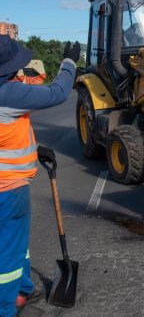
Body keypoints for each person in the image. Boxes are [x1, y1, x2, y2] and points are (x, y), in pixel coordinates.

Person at [0, 34, 80, 317]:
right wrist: (69, 62)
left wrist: (34, 150)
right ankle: (7, 307)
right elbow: (58, 93)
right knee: (8, 253)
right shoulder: (8, 93)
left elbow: (7, 135)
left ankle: (23, 289)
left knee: (14, 243)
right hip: (8, 190)